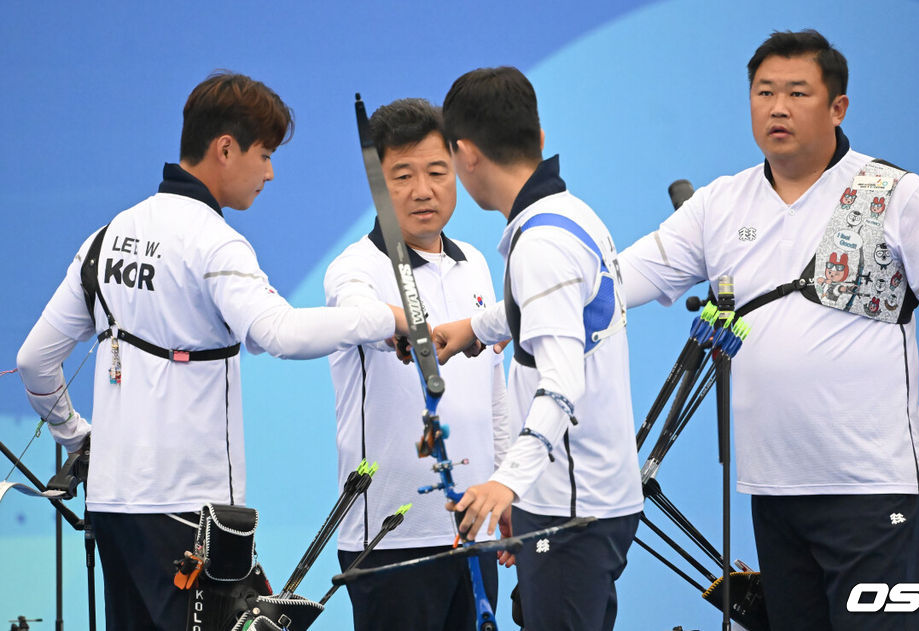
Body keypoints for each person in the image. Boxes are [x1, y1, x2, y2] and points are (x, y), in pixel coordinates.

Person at [619, 30, 919, 630]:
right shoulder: (720, 203)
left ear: (837, 107)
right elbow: (620, 279)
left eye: (797, 92)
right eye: (764, 93)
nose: (778, 108)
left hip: (872, 486)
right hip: (774, 488)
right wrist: (491, 322)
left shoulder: (896, 194)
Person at [15, 71, 408, 630]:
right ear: (225, 148)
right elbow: (281, 333)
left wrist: (78, 438)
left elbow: (34, 360)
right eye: (265, 154)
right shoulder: (214, 240)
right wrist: (384, 317)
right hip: (191, 516)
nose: (270, 172)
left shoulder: (105, 237)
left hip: (113, 510)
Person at [432, 66, 644, 631]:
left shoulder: (540, 245)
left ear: (466, 154)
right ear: (539, 138)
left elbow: (560, 385)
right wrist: (475, 328)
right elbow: (561, 311)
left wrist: (507, 482)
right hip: (591, 503)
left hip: (568, 512)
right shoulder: (570, 215)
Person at [324, 97, 512, 631]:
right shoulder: (355, 267)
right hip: (390, 537)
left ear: (457, 169)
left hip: (472, 527)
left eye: (436, 171)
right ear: (377, 186)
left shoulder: (475, 262)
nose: (422, 190)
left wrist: (507, 488)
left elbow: (491, 392)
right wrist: (399, 324)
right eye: (401, 176)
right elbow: (356, 313)